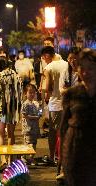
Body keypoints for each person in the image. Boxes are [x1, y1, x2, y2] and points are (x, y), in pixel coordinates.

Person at [60, 48, 96, 185]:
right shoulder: (72, 94)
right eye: (82, 68)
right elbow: (63, 128)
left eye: (91, 68)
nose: (86, 73)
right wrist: (63, 160)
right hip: (76, 153)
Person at [0, 57, 23, 147]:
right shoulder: (17, 76)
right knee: (11, 135)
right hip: (13, 108)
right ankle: (10, 160)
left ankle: (3, 159)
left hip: (0, 109)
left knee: (0, 134)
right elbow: (20, 93)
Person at [43, 46, 68, 162]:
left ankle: (52, 157)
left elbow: (48, 87)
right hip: (66, 102)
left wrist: (46, 94)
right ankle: (63, 156)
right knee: (64, 131)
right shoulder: (66, 64)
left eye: (44, 58)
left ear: (47, 55)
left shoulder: (49, 67)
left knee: (53, 131)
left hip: (55, 103)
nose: (44, 60)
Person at [21, 84, 41, 164]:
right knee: (28, 143)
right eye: (30, 93)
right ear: (25, 93)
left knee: (34, 142)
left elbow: (40, 112)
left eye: (34, 93)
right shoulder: (25, 104)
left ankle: (31, 157)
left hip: (35, 127)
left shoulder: (36, 103)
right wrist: (35, 117)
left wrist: (39, 112)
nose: (32, 94)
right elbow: (24, 115)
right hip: (28, 127)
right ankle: (24, 157)